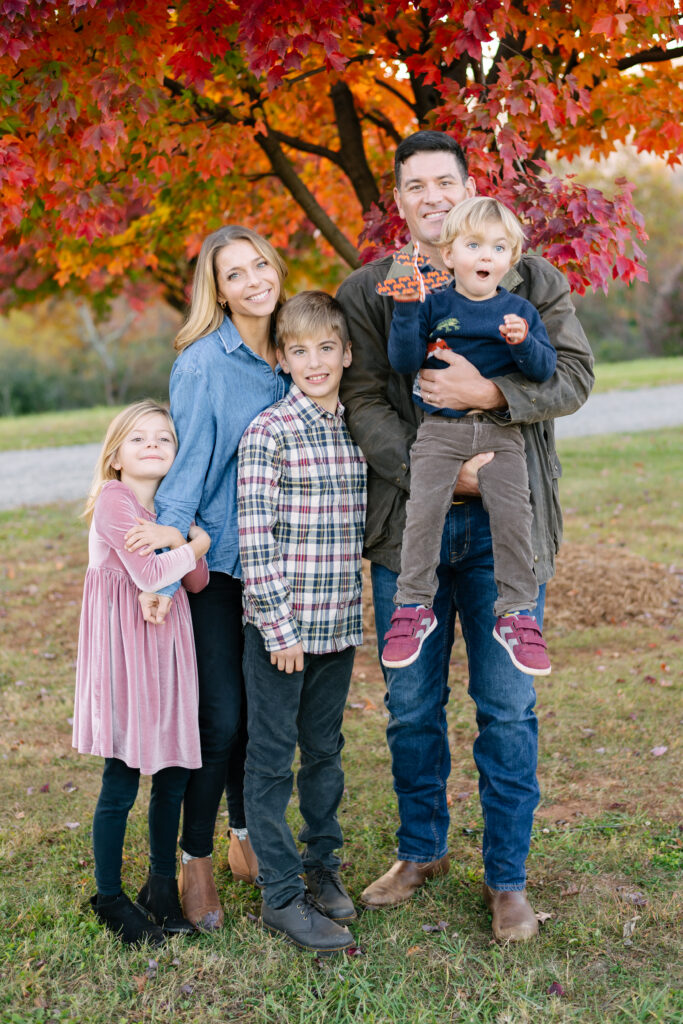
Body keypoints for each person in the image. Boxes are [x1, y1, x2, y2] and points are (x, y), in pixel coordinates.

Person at [336, 130, 593, 942]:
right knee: (410, 708)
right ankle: (421, 852)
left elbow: (575, 378)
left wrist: (491, 392)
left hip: (504, 530)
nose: (432, 196)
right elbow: (363, 400)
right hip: (406, 527)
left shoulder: (528, 276)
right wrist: (434, 477)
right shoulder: (370, 289)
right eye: (414, 186)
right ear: (400, 201)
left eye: (444, 181)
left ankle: (506, 878)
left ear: (465, 186)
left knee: (506, 706)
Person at [127, 226, 289, 931]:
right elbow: (185, 473)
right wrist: (163, 577)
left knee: (260, 721)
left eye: (261, 264)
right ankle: (194, 861)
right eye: (235, 273)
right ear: (216, 290)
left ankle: (245, 840)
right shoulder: (203, 364)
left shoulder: (293, 351)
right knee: (219, 717)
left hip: (278, 564)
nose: (254, 280)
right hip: (216, 563)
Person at [237, 291, 366, 954]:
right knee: (269, 761)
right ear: (281, 359)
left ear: (345, 353)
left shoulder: (356, 428)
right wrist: (276, 628)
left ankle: (323, 862)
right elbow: (255, 538)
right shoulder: (270, 431)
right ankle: (282, 895)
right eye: (299, 351)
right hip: (281, 634)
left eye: (325, 348)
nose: (314, 361)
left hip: (338, 624)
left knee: (324, 752)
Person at [382, 196, 556, 676]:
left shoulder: (519, 309)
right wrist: (405, 309)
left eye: (498, 247)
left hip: (502, 434)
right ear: (449, 253)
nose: (486, 256)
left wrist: (523, 344)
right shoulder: (434, 303)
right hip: (440, 431)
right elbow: (402, 361)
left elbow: (545, 370)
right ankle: (414, 604)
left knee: (514, 513)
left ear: (511, 258)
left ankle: (517, 613)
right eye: (474, 245)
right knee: (423, 509)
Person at [73, 400, 210, 945]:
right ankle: (108, 896)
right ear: (115, 457)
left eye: (164, 438)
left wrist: (180, 538)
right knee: (122, 776)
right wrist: (195, 542)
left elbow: (195, 585)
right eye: (138, 438)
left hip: (168, 650)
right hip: (124, 653)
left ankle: (160, 886)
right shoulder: (114, 500)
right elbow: (150, 572)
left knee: (173, 773)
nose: (153, 445)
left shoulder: (171, 511)